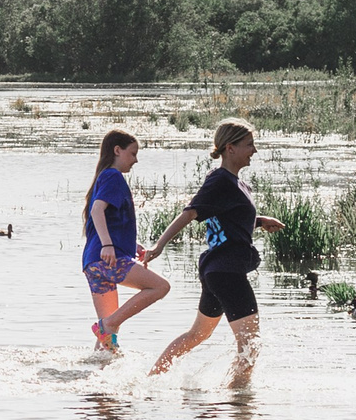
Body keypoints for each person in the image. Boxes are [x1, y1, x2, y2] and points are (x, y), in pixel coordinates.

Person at [147, 119, 284, 386]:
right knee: (250, 343)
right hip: (227, 272)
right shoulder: (220, 180)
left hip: (217, 271)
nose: (254, 150)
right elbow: (190, 212)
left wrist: (259, 221)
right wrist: (159, 245)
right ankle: (237, 399)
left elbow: (228, 218)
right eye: (249, 145)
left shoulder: (235, 183)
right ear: (230, 148)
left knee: (197, 335)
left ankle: (151, 380)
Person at [83, 128, 170, 354]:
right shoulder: (113, 176)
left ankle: (94, 370)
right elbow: (97, 211)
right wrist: (108, 245)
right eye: (132, 153)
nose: (136, 160)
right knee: (160, 287)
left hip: (93, 262)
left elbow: (112, 220)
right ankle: (108, 325)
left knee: (107, 339)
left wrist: (132, 246)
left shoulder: (104, 177)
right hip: (107, 258)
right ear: (117, 150)